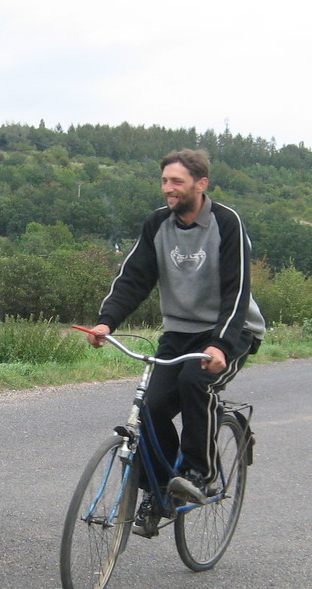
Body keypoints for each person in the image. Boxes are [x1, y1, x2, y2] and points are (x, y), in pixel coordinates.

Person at [85, 149, 265, 535]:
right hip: (180, 331)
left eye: (177, 181)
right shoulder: (157, 225)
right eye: (165, 180)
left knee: (193, 382)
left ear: (201, 184)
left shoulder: (225, 222)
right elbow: (134, 278)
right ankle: (162, 489)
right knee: (150, 406)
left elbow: (237, 289)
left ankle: (201, 472)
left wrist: (220, 344)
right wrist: (107, 322)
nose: (168, 188)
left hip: (230, 330)